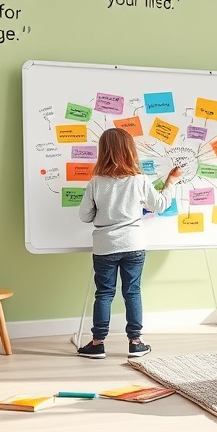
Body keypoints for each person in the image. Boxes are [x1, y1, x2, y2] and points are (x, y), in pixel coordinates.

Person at [76, 128, 182, 359]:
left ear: (103, 151)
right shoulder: (139, 180)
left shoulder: (96, 182)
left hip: (105, 246)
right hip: (134, 244)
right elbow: (160, 205)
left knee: (104, 294)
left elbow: (84, 216)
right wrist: (171, 182)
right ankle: (135, 342)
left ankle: (97, 343)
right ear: (130, 151)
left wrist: (103, 212)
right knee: (132, 292)